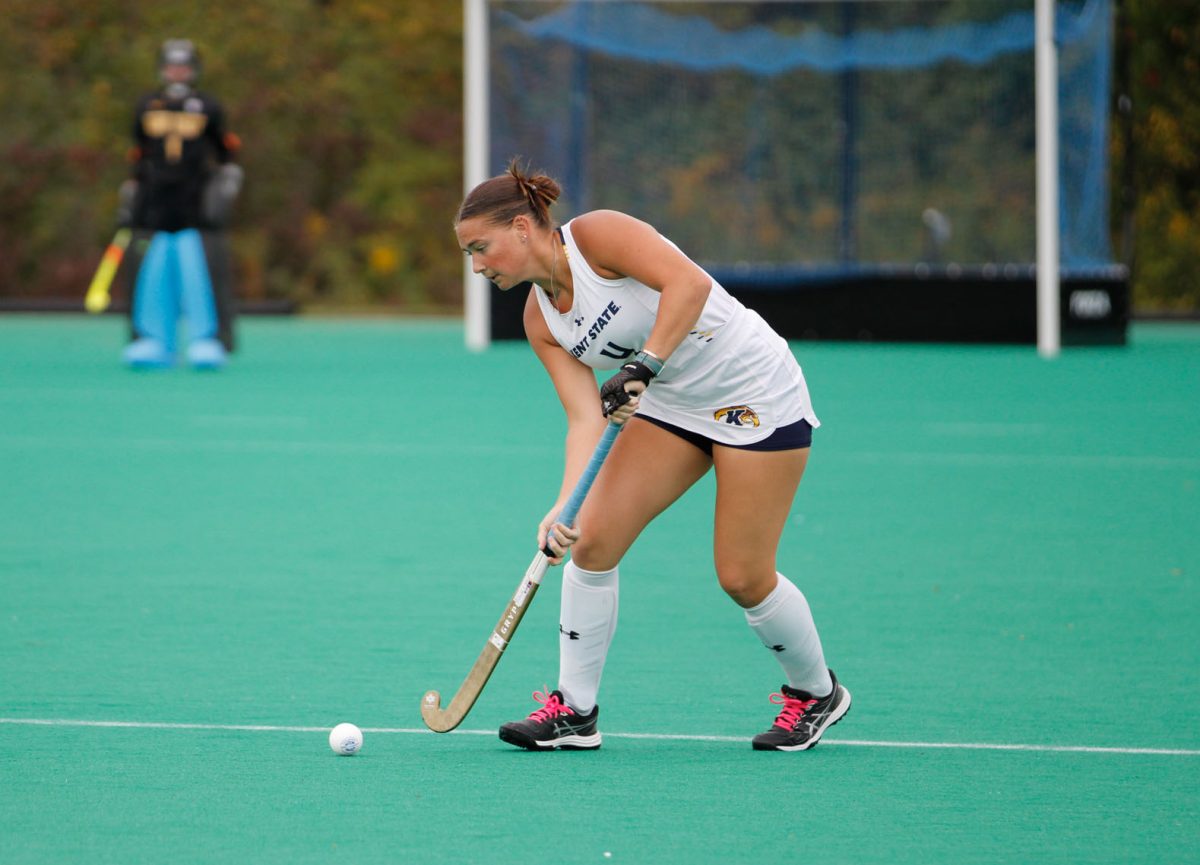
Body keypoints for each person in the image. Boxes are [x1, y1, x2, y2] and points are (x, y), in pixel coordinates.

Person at [453, 159, 851, 752]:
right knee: (590, 538)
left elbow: (688, 284)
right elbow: (586, 417)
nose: (479, 266)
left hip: (754, 390)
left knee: (742, 575)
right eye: (470, 256)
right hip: (671, 403)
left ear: (520, 227)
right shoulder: (540, 319)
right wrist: (563, 506)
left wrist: (645, 364)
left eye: (481, 249)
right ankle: (575, 711)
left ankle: (817, 692)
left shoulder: (598, 236)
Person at [118, 38, 242, 369]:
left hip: (194, 206)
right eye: (172, 66)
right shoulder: (147, 106)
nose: (177, 72)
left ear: (193, 70)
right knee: (152, 271)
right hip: (155, 206)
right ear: (162, 69)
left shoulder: (207, 107)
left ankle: (207, 338)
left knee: (199, 270)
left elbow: (226, 151)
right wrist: (132, 188)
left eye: (183, 66)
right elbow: (138, 153)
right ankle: (152, 338)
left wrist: (227, 182)